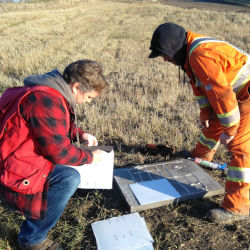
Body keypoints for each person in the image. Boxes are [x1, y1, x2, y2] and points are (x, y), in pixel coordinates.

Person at [0, 59, 108, 249]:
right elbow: (60, 153)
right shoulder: (46, 100)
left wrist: (80, 134)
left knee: (66, 173)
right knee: (68, 178)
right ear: (76, 87)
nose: (88, 102)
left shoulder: (50, 90)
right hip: (10, 168)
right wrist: (91, 157)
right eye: (89, 97)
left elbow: (53, 124)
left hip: (14, 156)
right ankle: (32, 240)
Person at [148, 22, 250, 223]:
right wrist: (205, 115)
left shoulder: (199, 55)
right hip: (237, 93)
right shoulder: (190, 51)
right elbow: (205, 89)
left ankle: (238, 208)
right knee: (212, 124)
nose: (165, 59)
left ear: (174, 48)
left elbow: (222, 95)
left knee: (240, 147)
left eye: (165, 54)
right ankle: (200, 159)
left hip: (246, 93)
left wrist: (230, 129)